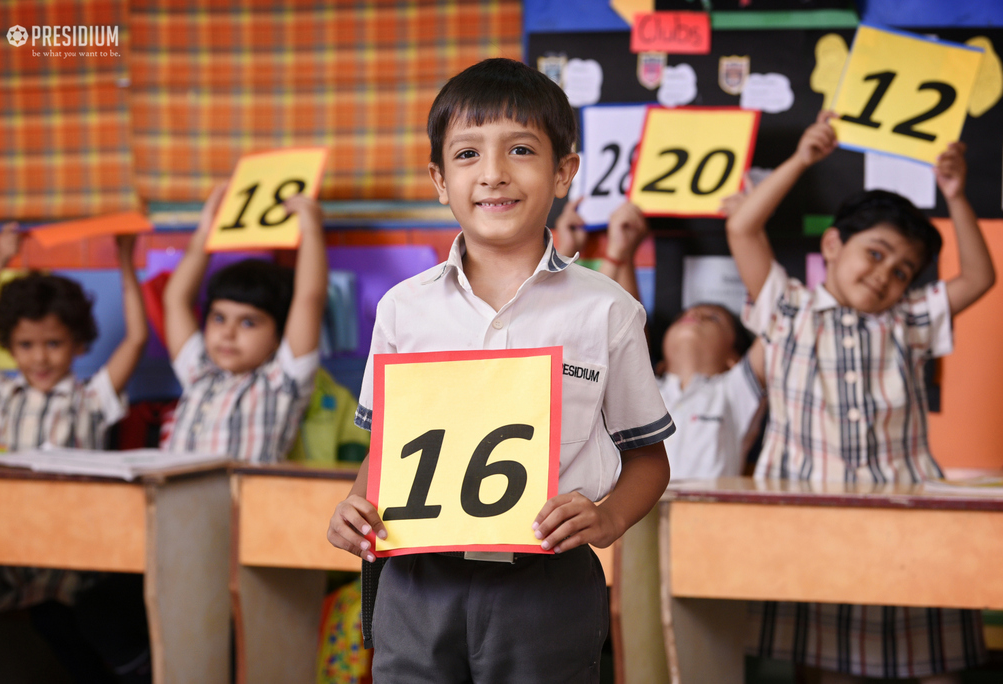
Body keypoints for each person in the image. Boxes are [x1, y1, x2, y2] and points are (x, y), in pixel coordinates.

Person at [327, 58, 673, 683]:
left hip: (544, 582)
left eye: (520, 150)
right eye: (466, 155)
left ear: (565, 171)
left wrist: (610, 517)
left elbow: (649, 459)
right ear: (438, 179)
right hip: (415, 578)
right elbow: (388, 450)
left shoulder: (608, 310)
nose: (493, 174)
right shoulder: (403, 309)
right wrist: (357, 501)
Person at [726, 110, 995, 683]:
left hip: (907, 519)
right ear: (833, 242)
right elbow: (743, 228)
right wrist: (802, 157)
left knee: (932, 659)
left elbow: (978, 277)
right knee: (823, 666)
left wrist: (957, 196)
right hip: (812, 522)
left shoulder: (909, 321)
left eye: (903, 271)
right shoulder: (787, 308)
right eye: (875, 254)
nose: (885, 276)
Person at [0, 223, 150, 682]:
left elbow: (136, 339)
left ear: (77, 344)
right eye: (25, 346)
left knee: (81, 621)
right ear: (9, 347)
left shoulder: (91, 398)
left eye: (53, 344)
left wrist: (125, 263)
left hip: (73, 546)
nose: (39, 358)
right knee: (48, 623)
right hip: (8, 546)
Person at [554, 198, 765, 479]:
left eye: (713, 318)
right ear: (662, 361)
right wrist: (621, 252)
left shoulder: (735, 390)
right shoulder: (644, 389)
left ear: (733, 359)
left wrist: (747, 228)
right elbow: (620, 320)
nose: (695, 315)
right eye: (684, 317)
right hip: (634, 513)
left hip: (708, 518)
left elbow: (777, 315)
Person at [161, 186, 327, 463]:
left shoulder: (281, 382)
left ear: (279, 336)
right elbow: (175, 299)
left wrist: (311, 230)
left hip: (245, 506)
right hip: (177, 504)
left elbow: (309, 298)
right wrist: (207, 231)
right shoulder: (199, 372)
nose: (227, 333)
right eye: (218, 318)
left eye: (248, 323)